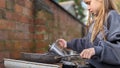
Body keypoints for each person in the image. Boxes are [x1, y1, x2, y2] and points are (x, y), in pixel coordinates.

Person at [57, 0, 120, 68]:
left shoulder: (113, 16)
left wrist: (96, 50)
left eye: (89, 3)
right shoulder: (94, 23)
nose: (88, 8)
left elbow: (118, 50)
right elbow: (86, 43)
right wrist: (68, 44)